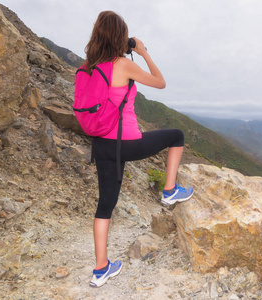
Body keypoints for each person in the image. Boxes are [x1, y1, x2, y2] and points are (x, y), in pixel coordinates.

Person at [83, 11, 194, 288]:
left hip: (101, 145)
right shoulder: (122, 64)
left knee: (104, 206)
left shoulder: (88, 67)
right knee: (177, 135)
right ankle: (169, 191)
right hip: (126, 143)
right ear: (120, 37)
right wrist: (142, 52)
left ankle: (101, 269)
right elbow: (160, 82)